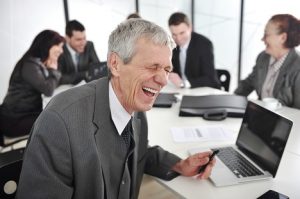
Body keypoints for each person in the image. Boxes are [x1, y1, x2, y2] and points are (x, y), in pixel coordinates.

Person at [16, 19, 216, 199]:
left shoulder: (136, 105)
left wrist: (179, 165)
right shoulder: (59, 122)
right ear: (115, 64)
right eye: (152, 66)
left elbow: (136, 151)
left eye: (167, 69)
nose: (163, 80)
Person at [0, 30, 64, 138]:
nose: (61, 50)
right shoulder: (30, 65)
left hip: (20, 115)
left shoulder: (34, 62)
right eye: (59, 46)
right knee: (56, 121)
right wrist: (53, 69)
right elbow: (48, 89)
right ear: (48, 45)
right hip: (14, 120)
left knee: (55, 115)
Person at [235, 14, 300, 109]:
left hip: (286, 122)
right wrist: (231, 101)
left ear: (283, 38)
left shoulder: (297, 66)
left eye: (266, 34)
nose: (262, 39)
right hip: (261, 117)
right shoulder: (263, 58)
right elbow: (248, 84)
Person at [168, 12, 220, 89]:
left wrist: (184, 83)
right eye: (174, 34)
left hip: (202, 92)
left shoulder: (204, 44)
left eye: (182, 33)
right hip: (181, 91)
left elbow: (210, 79)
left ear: (190, 28)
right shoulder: (172, 44)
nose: (178, 38)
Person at [58, 19, 101, 85]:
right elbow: (59, 78)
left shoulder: (89, 45)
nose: (83, 43)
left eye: (84, 38)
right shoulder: (59, 50)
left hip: (86, 87)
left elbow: (97, 69)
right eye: (78, 40)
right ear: (67, 38)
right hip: (67, 89)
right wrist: (84, 74)